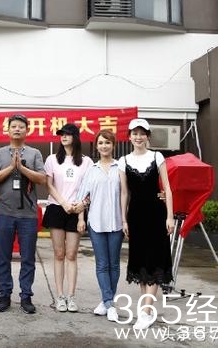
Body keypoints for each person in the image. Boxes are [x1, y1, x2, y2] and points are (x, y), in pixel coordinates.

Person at [119, 118, 174, 330]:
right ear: (129, 137)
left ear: (148, 136)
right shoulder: (123, 161)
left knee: (155, 260)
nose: (138, 137)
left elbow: (167, 188)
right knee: (141, 262)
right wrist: (124, 219)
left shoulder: (157, 157)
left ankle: (145, 312)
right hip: (136, 217)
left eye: (142, 133)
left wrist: (169, 216)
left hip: (156, 215)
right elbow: (125, 193)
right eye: (135, 133)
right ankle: (147, 311)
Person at [0, 114, 46, 314]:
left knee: (28, 258)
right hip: (4, 212)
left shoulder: (35, 153)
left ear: (27, 130)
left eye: (21, 126)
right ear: (8, 130)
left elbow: (42, 179)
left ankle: (26, 296)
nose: (17, 129)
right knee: (3, 256)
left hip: (28, 215)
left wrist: (22, 168)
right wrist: (11, 167)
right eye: (14, 126)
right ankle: (4, 295)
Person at [43, 123, 93, 313]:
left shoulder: (86, 162)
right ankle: (60, 296)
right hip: (57, 208)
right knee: (59, 254)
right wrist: (63, 203)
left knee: (71, 254)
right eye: (61, 134)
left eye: (67, 134)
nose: (63, 137)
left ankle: (71, 296)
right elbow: (49, 186)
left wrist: (81, 216)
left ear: (76, 137)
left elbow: (87, 190)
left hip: (76, 210)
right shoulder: (52, 159)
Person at [75, 130, 123, 322]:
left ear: (113, 145)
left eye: (107, 143)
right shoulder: (91, 170)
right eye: (101, 143)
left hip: (117, 222)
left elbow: (126, 196)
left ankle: (106, 301)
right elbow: (82, 197)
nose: (104, 146)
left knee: (114, 264)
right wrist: (81, 219)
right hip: (96, 222)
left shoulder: (120, 168)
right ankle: (110, 304)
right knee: (102, 264)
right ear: (96, 146)